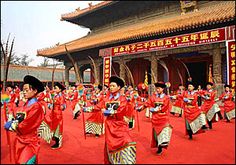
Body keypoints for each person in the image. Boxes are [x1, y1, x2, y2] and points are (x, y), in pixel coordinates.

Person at [83, 76, 136, 164]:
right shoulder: (106, 99)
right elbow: (98, 107)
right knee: (110, 144)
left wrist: (107, 111)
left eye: (113, 86)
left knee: (126, 141)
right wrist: (86, 109)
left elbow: (120, 111)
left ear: (119, 87)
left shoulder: (123, 99)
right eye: (110, 86)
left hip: (120, 125)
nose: (111, 88)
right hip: (109, 126)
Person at [4, 75, 44, 164]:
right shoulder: (26, 104)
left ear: (35, 91)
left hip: (29, 142)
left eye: (27, 90)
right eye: (23, 90)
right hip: (20, 141)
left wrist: (11, 125)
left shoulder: (36, 107)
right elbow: (19, 117)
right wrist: (10, 114)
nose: (24, 92)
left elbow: (26, 125)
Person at [144, 81, 173, 155]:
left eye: (159, 88)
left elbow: (165, 107)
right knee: (156, 134)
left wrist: (158, 109)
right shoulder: (153, 96)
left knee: (163, 131)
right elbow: (148, 103)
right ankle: (159, 148)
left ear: (163, 89)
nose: (157, 89)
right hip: (155, 118)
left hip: (163, 117)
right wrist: (142, 107)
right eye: (157, 88)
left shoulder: (166, 97)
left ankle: (163, 144)